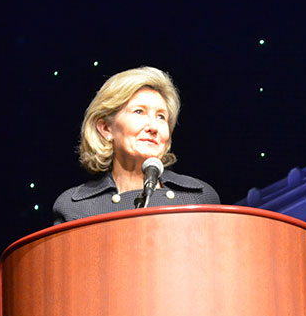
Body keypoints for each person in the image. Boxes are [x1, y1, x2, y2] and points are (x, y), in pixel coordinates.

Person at [53, 66, 220, 224]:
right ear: (106, 128)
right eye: (139, 112)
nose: (153, 127)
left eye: (161, 116)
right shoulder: (76, 208)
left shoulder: (200, 198)